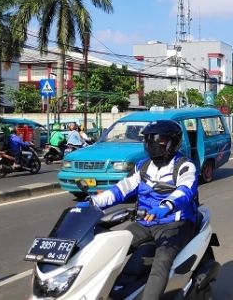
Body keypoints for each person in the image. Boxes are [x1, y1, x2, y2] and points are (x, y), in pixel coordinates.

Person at [78, 120, 198, 300]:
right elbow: (121, 189)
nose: (153, 145)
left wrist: (166, 206)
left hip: (174, 223)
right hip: (145, 222)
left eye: (160, 141)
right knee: (108, 248)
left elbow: (185, 190)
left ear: (173, 142)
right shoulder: (142, 166)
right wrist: (94, 202)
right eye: (149, 140)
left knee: (162, 261)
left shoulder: (184, 166)